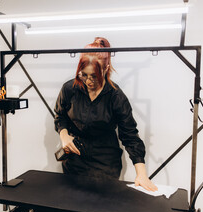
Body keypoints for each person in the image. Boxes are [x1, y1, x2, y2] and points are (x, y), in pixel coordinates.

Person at [54, 37, 157, 192]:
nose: (88, 81)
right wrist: (64, 135)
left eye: (94, 76)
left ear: (106, 68)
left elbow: (130, 135)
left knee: (100, 208)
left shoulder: (116, 96)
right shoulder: (70, 89)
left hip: (105, 162)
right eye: (84, 75)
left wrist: (141, 174)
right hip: (75, 160)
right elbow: (60, 115)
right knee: (73, 205)